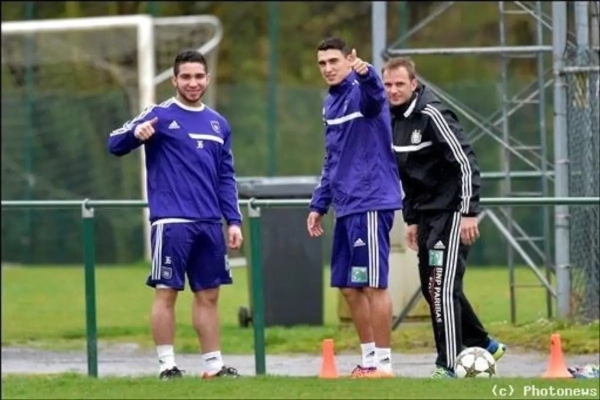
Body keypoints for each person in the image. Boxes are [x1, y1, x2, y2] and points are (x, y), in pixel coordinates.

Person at [107, 49, 243, 380]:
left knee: (209, 294)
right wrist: (135, 134)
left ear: (208, 79)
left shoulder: (219, 123)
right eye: (186, 77)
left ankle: (213, 366)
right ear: (174, 80)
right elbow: (114, 143)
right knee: (167, 292)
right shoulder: (159, 115)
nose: (193, 83)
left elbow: (225, 177)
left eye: (198, 77)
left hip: (209, 222)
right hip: (172, 222)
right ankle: (167, 366)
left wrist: (234, 220)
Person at [381, 56, 507, 378]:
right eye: (388, 85)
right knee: (432, 286)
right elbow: (407, 177)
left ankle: (448, 365)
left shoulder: (433, 114)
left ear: (414, 84)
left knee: (441, 289)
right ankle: (483, 343)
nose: (393, 90)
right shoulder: (392, 119)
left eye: (399, 84)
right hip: (425, 216)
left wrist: (468, 212)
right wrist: (411, 219)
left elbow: (466, 163)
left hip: (451, 213)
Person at [307, 37, 403, 378]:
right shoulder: (330, 103)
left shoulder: (363, 91)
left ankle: (384, 365)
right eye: (322, 63)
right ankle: (369, 360)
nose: (328, 68)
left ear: (349, 60)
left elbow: (376, 96)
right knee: (350, 287)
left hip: (371, 200)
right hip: (345, 205)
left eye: (334, 61)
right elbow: (331, 158)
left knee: (374, 284)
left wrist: (368, 74)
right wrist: (319, 203)